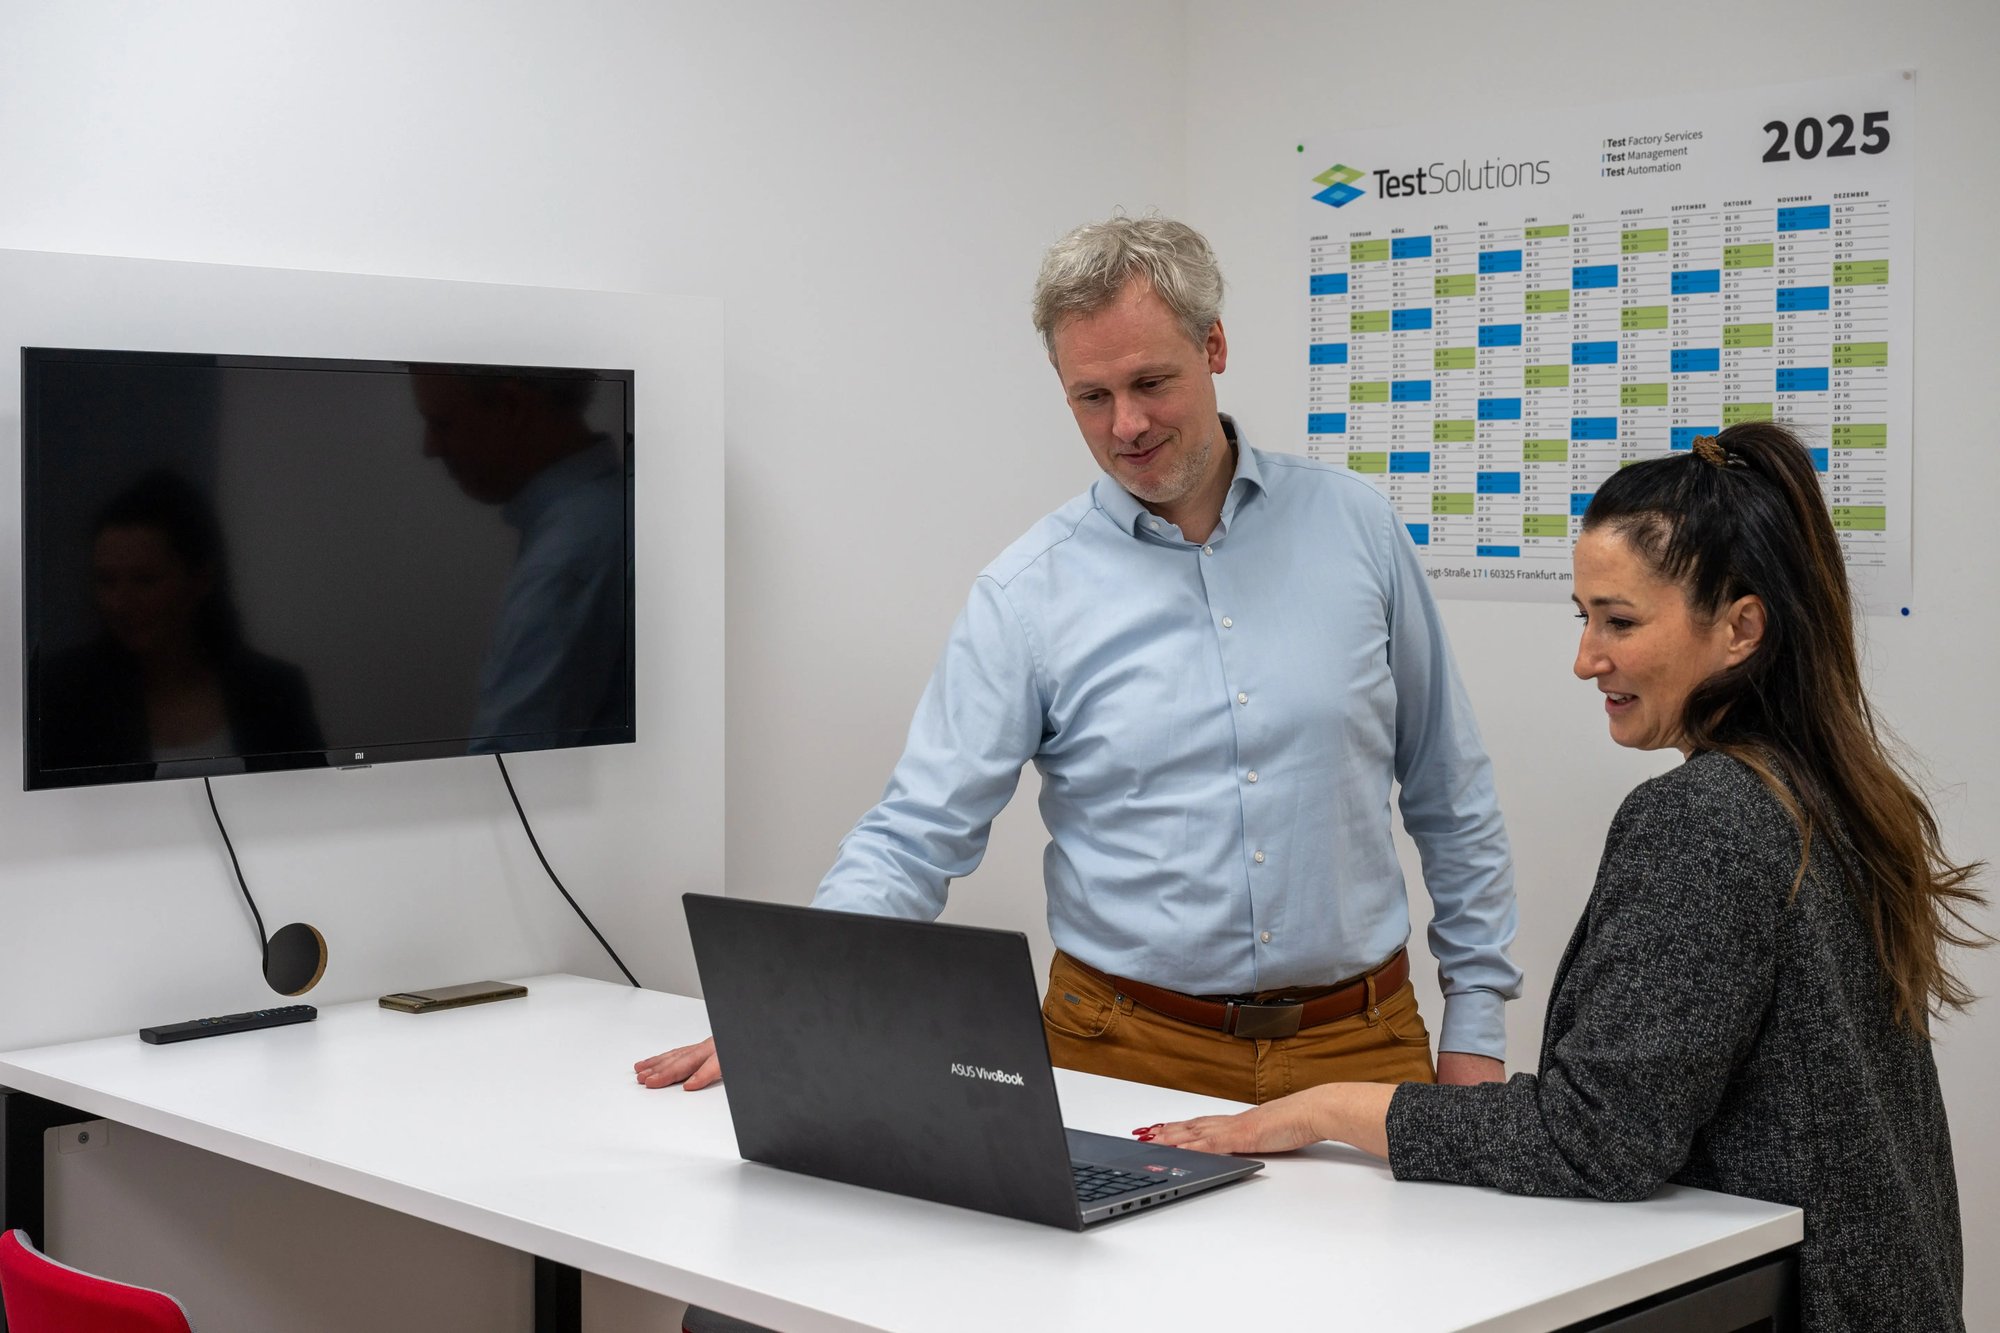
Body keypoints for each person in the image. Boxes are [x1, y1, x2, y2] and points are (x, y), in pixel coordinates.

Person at [638, 215, 1519, 1102]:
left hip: (1359, 1043)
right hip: (1122, 1047)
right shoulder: (1027, 592)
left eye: (1150, 382)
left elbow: (1449, 787)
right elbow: (916, 831)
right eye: (1091, 396)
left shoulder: (1357, 528)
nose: (1126, 424)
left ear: (1213, 346)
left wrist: (1477, 1027)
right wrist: (792, 994)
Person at [1144, 423, 1982, 1331]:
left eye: (1619, 621)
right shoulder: (1834, 791)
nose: (1587, 658)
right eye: (1583, 617)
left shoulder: (1708, 818)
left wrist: (1326, 1108)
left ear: (1741, 627)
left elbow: (1599, 1137)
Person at [37, 470, 325, 775]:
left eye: (145, 580)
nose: (120, 603)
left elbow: (313, 790)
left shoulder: (274, 691)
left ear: (200, 581)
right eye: (106, 581)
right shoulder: (64, 695)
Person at [411, 367, 629, 748]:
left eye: (442, 423)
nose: (429, 448)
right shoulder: (618, 510)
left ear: (511, 408)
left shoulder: (566, 561)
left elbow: (505, 768)